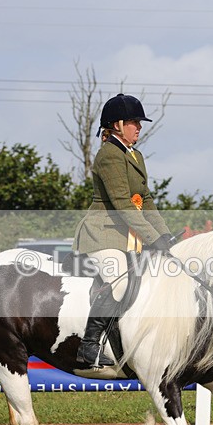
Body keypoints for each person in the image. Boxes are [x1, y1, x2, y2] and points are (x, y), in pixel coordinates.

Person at [72, 93, 173, 377]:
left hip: (129, 235)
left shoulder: (134, 155)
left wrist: (165, 235)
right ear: (117, 124)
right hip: (103, 234)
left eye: (139, 122)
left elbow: (145, 200)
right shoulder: (109, 155)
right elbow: (122, 203)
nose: (138, 127)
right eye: (133, 122)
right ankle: (89, 346)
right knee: (119, 282)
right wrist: (152, 237)